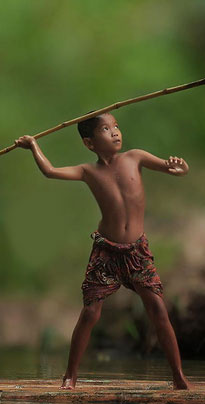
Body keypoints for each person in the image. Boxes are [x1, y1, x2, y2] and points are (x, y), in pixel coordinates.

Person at [14, 112, 191, 390]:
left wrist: (180, 167)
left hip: (137, 252)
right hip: (106, 252)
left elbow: (172, 169)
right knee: (90, 313)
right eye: (106, 129)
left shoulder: (136, 157)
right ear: (89, 143)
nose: (115, 132)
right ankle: (70, 376)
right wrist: (34, 145)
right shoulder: (88, 171)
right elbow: (50, 171)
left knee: (157, 308)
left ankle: (178, 376)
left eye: (116, 126)